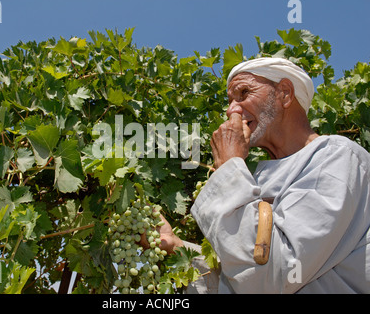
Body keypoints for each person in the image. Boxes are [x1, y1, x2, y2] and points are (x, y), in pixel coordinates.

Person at [157, 57, 370, 293]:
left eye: (244, 93)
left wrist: (229, 165)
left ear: (285, 94)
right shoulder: (259, 180)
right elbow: (238, 276)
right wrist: (175, 246)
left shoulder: (336, 157)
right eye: (229, 101)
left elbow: (276, 273)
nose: (231, 110)